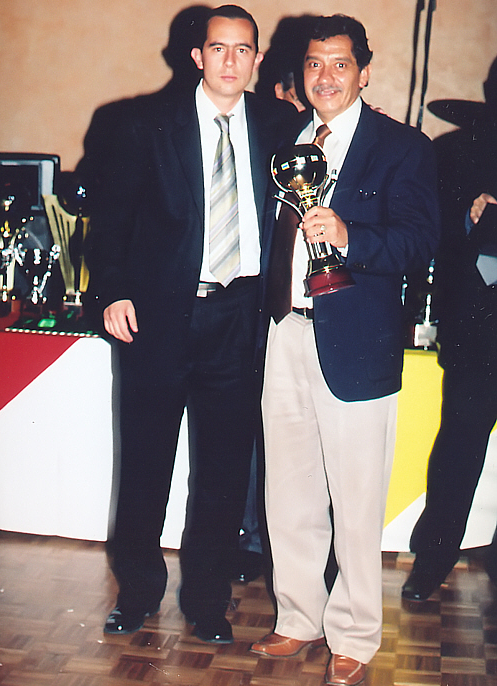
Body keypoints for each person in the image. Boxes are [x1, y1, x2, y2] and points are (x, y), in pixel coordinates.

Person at [84, 4, 297, 642]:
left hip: (241, 316)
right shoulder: (143, 124)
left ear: (259, 60)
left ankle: (207, 602)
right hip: (158, 316)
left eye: (243, 49)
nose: (231, 61)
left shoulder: (281, 125)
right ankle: (137, 594)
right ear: (198, 56)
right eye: (219, 49)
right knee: (146, 461)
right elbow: (111, 221)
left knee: (225, 469)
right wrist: (114, 291)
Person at [249, 14, 440, 685]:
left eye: (339, 64)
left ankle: (355, 632)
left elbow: (419, 242)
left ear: (364, 72)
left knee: (356, 501)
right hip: (285, 331)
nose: (325, 77)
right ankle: (298, 617)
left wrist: (351, 236)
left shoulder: (402, 147)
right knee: (288, 491)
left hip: (357, 341)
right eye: (313, 64)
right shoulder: (286, 140)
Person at [402, 59, 497, 602]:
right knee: (460, 445)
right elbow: (430, 232)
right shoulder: (458, 151)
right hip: (479, 328)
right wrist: (471, 213)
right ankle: (434, 557)